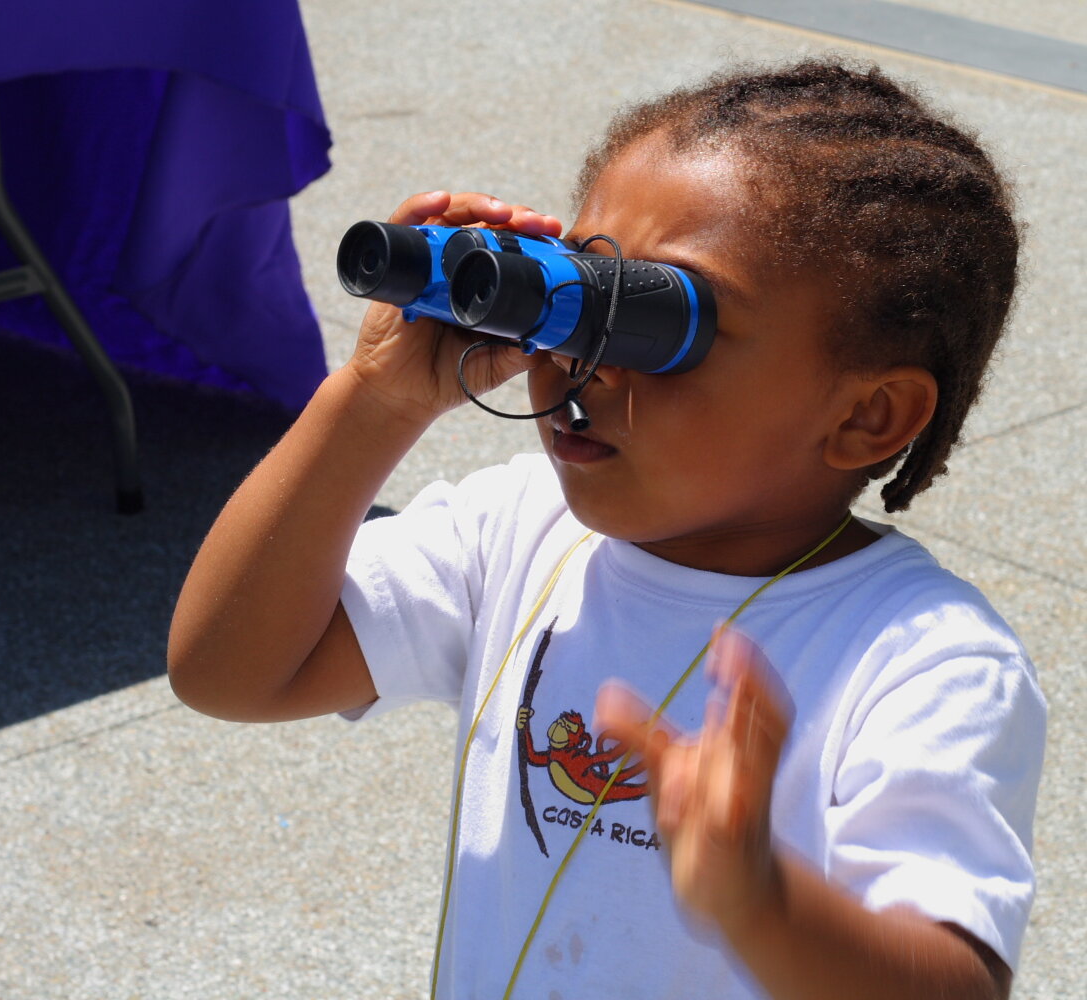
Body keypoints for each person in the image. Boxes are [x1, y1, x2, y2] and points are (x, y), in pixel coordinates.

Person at [168, 60, 1046, 1000]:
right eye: (583, 293)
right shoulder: (518, 527)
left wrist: (762, 903)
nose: (583, 361)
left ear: (868, 417)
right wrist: (375, 400)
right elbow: (228, 669)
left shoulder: (925, 661)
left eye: (659, 324)